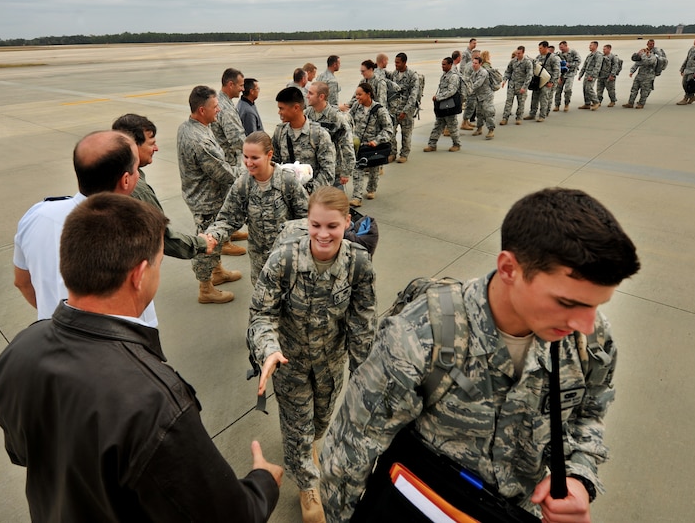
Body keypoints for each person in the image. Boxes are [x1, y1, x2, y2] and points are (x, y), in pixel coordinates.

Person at [321, 187, 641, 523]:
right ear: (508, 269)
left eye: (596, 305)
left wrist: (578, 476)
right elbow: (349, 454)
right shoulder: (421, 337)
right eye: (566, 302)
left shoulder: (588, 341)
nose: (585, 323)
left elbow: (589, 413)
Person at [0, 193, 283, 523]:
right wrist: (263, 483)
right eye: (158, 263)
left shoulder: (20, 350)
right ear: (139, 275)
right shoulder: (155, 401)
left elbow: (22, 451)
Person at [248, 186, 377, 523]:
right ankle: (307, 485)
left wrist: (364, 374)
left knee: (320, 422)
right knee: (298, 427)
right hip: (289, 362)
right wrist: (269, 350)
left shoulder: (358, 264)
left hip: (330, 364)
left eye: (332, 226)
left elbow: (362, 321)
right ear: (308, 221)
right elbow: (261, 313)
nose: (323, 234)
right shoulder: (285, 259)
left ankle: (308, 448)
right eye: (316, 224)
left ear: (347, 223)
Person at [13, 130, 158, 326]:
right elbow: (141, 315)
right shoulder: (133, 231)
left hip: (54, 338)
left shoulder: (37, 215)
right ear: (126, 180)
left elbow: (22, 282)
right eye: (136, 168)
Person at [206, 131, 310, 285]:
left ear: (269, 155)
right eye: (245, 157)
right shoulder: (242, 184)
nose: (248, 162)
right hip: (259, 264)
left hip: (288, 259)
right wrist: (212, 235)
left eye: (255, 158)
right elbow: (228, 219)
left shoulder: (287, 182)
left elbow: (307, 219)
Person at [112, 113, 218, 259]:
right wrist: (201, 243)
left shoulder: (108, 170)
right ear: (133, 146)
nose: (156, 148)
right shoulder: (135, 187)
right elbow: (162, 237)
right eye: (151, 143)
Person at [177, 85, 243, 304]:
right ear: (202, 110)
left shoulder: (189, 127)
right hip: (207, 200)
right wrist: (251, 172)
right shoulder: (200, 141)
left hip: (201, 194)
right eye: (215, 107)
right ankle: (205, 288)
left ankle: (217, 272)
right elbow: (224, 173)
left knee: (214, 240)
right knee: (208, 243)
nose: (219, 110)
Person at [271, 87, 336, 193]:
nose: (279, 112)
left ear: (296, 107)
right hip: (286, 195)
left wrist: (308, 193)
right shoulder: (280, 131)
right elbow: (273, 162)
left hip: (312, 197)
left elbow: (328, 172)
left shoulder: (319, 134)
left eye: (281, 108)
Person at [348, 82, 393, 207]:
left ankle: (371, 189)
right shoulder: (357, 106)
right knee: (358, 168)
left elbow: (388, 129)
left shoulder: (379, 110)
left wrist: (376, 141)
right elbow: (348, 119)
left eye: (360, 94)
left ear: (368, 94)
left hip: (373, 146)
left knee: (374, 169)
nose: (357, 97)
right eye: (356, 94)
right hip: (359, 145)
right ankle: (357, 197)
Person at [305, 81, 356, 188]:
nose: (307, 96)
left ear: (321, 96)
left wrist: (346, 172)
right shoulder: (306, 115)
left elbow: (347, 145)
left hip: (333, 171)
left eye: (310, 93)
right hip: (311, 170)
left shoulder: (336, 118)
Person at [386, 52, 421, 163]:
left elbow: (413, 95)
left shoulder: (412, 75)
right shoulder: (394, 74)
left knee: (406, 133)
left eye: (398, 62)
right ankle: (392, 153)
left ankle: (404, 154)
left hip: (406, 110)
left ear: (404, 62)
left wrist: (405, 111)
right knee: (391, 132)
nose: (396, 64)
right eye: (395, 62)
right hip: (393, 109)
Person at [424, 54, 463, 152]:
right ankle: (432, 145)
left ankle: (456, 144)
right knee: (438, 125)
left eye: (444, 65)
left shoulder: (453, 76)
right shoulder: (444, 75)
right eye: (442, 64)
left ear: (450, 64)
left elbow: (452, 91)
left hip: (450, 105)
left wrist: (438, 97)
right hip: (442, 105)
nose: (442, 66)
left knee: (452, 126)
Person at [525, 41, 560, 123]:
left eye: (540, 48)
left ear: (546, 48)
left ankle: (542, 115)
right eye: (539, 48)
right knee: (534, 97)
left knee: (544, 98)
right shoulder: (538, 57)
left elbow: (556, 71)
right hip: (538, 81)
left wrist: (552, 81)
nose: (539, 50)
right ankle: (532, 114)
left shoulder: (553, 58)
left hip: (547, 81)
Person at [500, 45, 533, 125]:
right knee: (508, 102)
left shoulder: (527, 62)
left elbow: (529, 75)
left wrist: (524, 87)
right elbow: (508, 71)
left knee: (521, 103)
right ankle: (505, 118)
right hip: (512, 85)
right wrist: (504, 80)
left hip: (521, 86)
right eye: (517, 53)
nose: (517, 55)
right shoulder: (513, 61)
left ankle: (519, 118)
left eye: (519, 53)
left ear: (523, 53)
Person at [469, 56, 496, 140]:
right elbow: (469, 81)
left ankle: (491, 130)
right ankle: (479, 128)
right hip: (479, 96)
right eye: (473, 63)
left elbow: (477, 84)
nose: (474, 65)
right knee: (479, 113)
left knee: (488, 112)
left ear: (480, 64)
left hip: (487, 96)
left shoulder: (483, 72)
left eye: (476, 63)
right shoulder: (474, 73)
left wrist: (468, 89)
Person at [554, 40, 581, 112]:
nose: (561, 49)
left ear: (566, 46)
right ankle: (557, 105)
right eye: (560, 47)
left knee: (568, 90)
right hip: (562, 74)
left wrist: (569, 64)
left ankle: (566, 104)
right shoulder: (559, 54)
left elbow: (578, 61)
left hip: (570, 73)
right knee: (558, 90)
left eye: (562, 47)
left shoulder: (573, 52)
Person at [459, 38, 480, 131]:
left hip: (469, 85)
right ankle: (464, 122)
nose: (475, 44)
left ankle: (466, 121)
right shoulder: (466, 55)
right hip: (468, 85)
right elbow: (462, 67)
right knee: (469, 104)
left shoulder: (471, 59)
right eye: (474, 43)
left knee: (470, 105)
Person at [577, 41, 603, 110]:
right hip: (587, 74)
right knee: (585, 89)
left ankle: (596, 102)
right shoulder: (589, 55)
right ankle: (587, 104)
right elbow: (585, 65)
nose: (589, 46)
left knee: (589, 89)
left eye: (591, 45)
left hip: (592, 75)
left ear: (595, 46)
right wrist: (581, 74)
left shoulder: (598, 55)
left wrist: (593, 76)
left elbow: (597, 66)